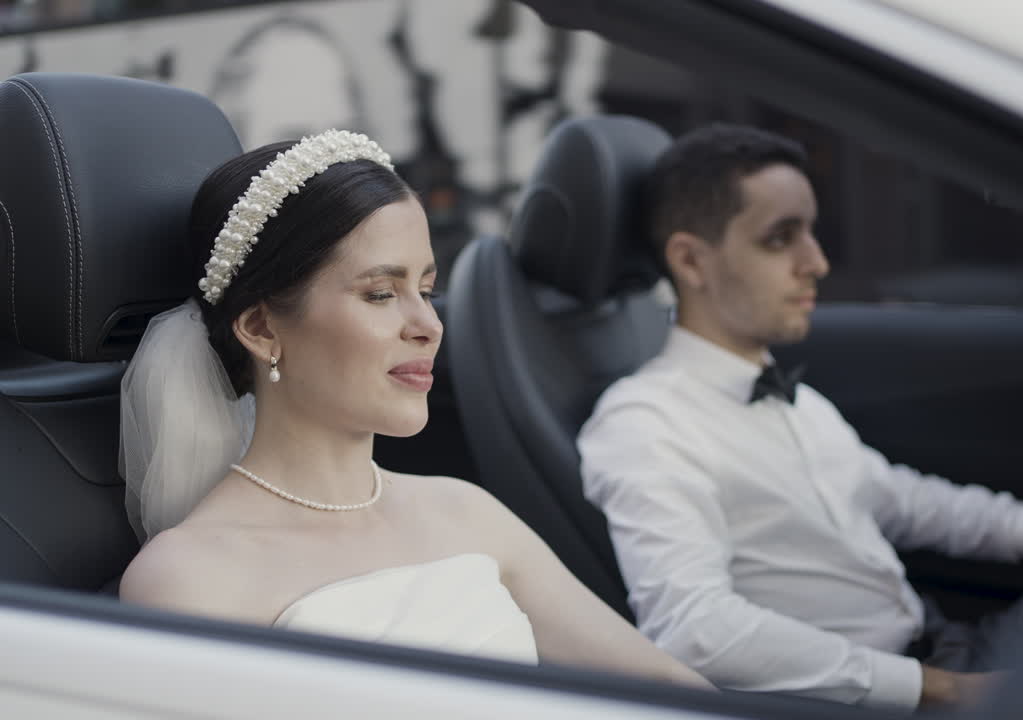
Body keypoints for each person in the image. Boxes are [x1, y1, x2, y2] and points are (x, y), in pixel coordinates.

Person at [117, 129, 709, 689]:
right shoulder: (188, 579)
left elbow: (672, 691)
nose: (428, 325)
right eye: (380, 294)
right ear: (260, 328)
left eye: (424, 290)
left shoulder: (466, 511)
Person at [577, 124, 1023, 713]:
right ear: (692, 260)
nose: (816, 262)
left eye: (812, 233)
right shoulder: (644, 424)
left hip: (951, 646)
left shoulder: (796, 399)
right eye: (780, 239)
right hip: (888, 694)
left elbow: (898, 498)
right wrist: (941, 690)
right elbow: (695, 628)